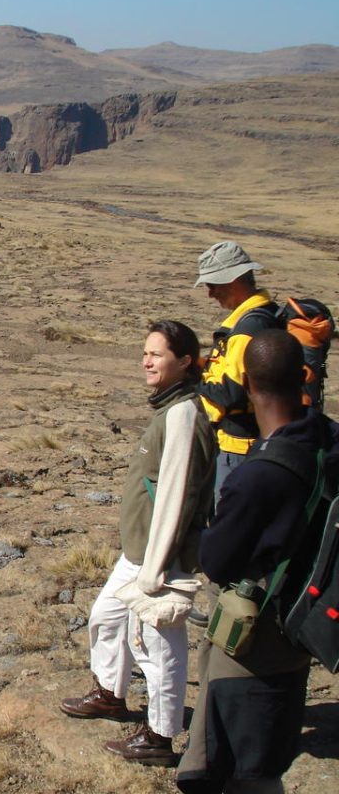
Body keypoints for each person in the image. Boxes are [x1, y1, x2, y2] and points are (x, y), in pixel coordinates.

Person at [177, 330, 339, 794]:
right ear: (304, 376)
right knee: (270, 747)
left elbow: (219, 561)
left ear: (246, 382)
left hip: (255, 645)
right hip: (305, 621)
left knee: (242, 769)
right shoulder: (330, 443)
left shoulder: (258, 477)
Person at [60, 321, 217, 766]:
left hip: (159, 556)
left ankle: (160, 737)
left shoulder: (184, 413)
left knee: (159, 648)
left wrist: (158, 565)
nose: (147, 361)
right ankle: (110, 694)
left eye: (158, 354)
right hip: (139, 551)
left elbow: (178, 492)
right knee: (106, 618)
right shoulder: (170, 408)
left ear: (185, 361)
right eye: (145, 353)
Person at [195, 241, 277, 498]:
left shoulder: (245, 331)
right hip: (258, 440)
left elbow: (232, 394)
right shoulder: (268, 314)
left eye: (213, 285)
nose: (210, 294)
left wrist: (195, 379)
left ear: (233, 281)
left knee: (229, 518)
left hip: (239, 447)